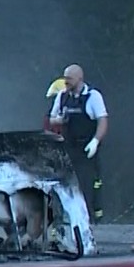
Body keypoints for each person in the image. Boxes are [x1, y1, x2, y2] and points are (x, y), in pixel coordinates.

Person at [49, 64, 108, 222]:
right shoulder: (61, 96)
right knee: (64, 186)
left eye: (69, 78)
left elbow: (103, 120)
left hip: (86, 150)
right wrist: (58, 120)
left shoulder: (92, 96)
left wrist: (95, 141)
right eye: (65, 78)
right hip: (66, 148)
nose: (66, 81)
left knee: (86, 186)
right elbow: (51, 118)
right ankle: (64, 221)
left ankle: (87, 221)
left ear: (79, 78)